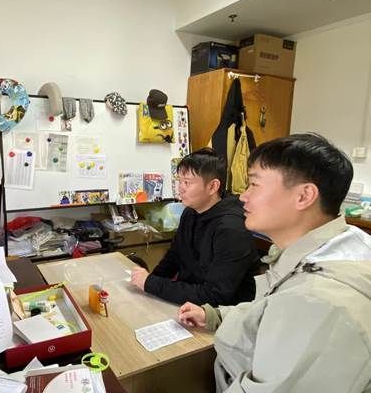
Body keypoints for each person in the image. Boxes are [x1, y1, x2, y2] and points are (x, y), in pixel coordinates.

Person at [178, 133, 371, 392]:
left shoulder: (317, 302)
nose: (243, 196)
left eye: (254, 184)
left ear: (304, 196)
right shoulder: (336, 244)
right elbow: (268, 308)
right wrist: (216, 315)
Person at [131, 148, 259, 306]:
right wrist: (148, 283)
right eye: (179, 181)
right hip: (190, 303)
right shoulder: (190, 212)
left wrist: (151, 284)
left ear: (213, 187)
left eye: (187, 182)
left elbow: (215, 295)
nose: (180, 188)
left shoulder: (232, 228)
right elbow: (174, 257)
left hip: (220, 313)